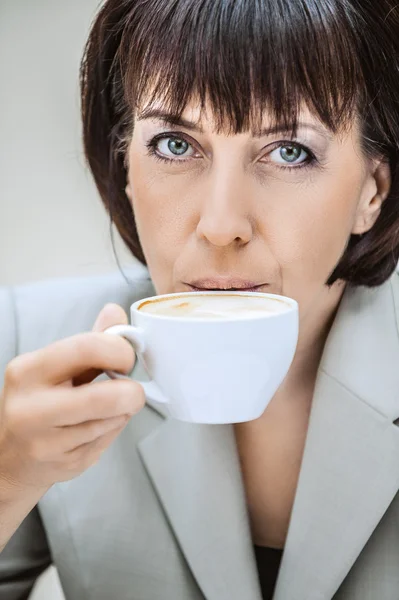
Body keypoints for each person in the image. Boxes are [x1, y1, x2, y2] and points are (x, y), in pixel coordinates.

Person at [1, 1, 399, 599]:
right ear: (126, 166)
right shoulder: (31, 343)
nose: (220, 225)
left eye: (290, 151)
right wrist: (6, 481)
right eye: (174, 145)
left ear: (373, 190)